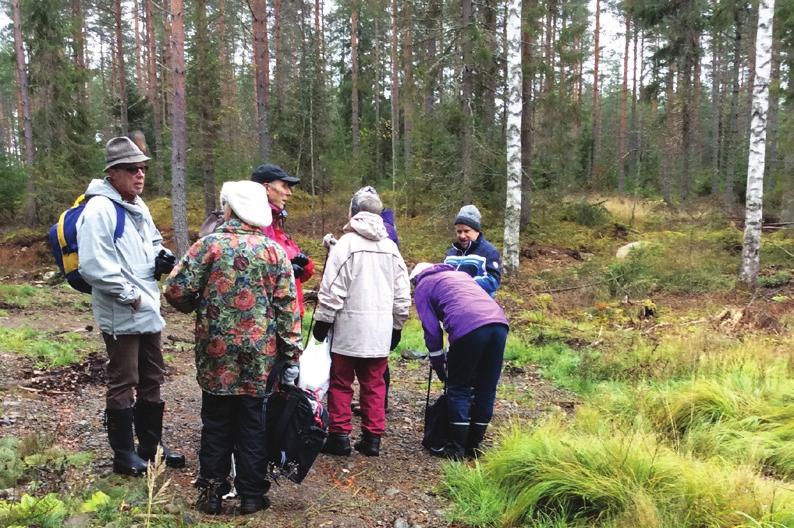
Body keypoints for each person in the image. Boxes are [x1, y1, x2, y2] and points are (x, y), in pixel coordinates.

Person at [164, 181, 302, 515]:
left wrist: (199, 304)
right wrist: (290, 354)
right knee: (253, 421)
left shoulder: (208, 247)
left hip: (216, 352)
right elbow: (287, 308)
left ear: (230, 208)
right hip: (259, 353)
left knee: (215, 419)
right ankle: (252, 495)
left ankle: (212, 493)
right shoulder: (273, 252)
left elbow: (175, 290)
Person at [76, 136, 184, 476]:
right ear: (112, 173)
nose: (140, 175)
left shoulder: (139, 205)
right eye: (131, 169)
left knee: (153, 376)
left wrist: (160, 257)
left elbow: (151, 242)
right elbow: (93, 266)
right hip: (122, 311)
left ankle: (150, 447)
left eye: (143, 168)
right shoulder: (99, 210)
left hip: (147, 307)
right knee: (124, 380)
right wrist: (131, 295)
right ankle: (123, 455)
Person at [313, 189, 411, 457]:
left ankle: (340, 436)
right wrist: (397, 325)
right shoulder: (390, 248)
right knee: (374, 384)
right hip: (379, 331)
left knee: (341, 383)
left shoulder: (346, 245)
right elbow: (402, 293)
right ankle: (372, 438)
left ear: (353, 212)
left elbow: (333, 289)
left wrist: (322, 320)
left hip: (348, 330)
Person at [410, 262, 509, 460]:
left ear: (415, 279)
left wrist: (439, 366)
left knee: (458, 386)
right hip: (499, 324)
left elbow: (432, 331)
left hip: (469, 327)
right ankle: (474, 444)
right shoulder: (460, 276)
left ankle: (456, 446)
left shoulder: (423, 285)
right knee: (486, 387)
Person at [250, 164, 315, 317]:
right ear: (267, 188)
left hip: (289, 315)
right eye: (284, 186)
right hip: (268, 318)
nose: (289, 193)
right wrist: (285, 270)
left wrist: (304, 264)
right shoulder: (256, 225)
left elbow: (302, 274)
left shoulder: (276, 224)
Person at [444, 204, 501, 297]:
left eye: (466, 231)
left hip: (479, 307)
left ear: (477, 231)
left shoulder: (489, 251)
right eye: (459, 231)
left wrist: (464, 284)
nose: (462, 236)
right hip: (453, 306)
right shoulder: (450, 253)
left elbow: (493, 281)